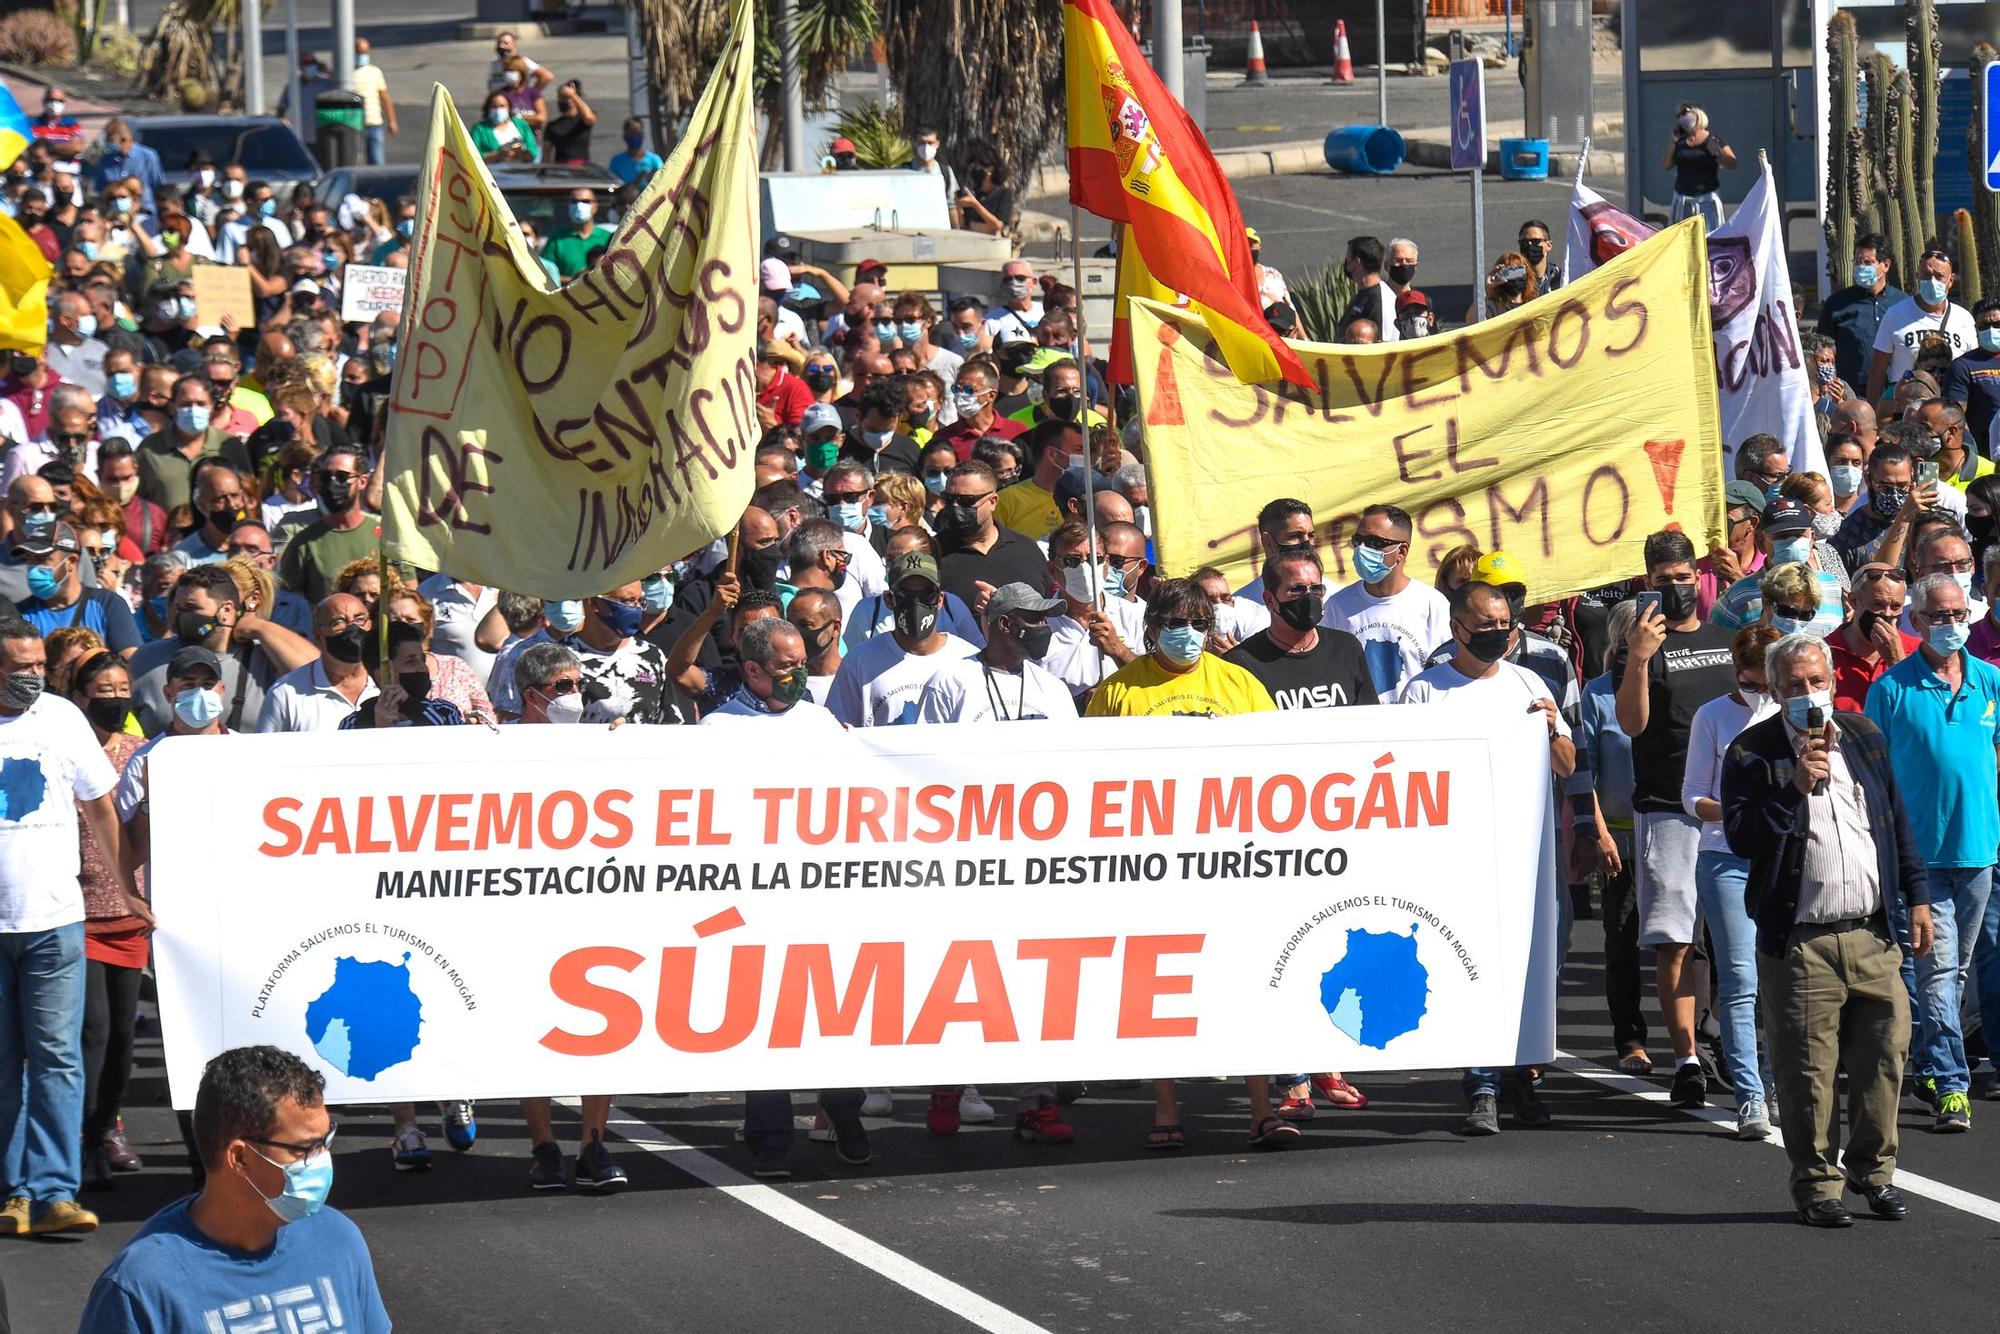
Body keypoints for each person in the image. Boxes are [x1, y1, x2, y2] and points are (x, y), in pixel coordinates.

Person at [1721, 635, 1932, 1226]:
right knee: (1808, 1071)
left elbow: (1895, 823)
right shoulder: (1752, 753)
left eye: (1816, 681)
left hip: (1872, 931)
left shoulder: (1863, 736)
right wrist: (1793, 786)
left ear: (1833, 680)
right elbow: (1743, 838)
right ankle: (1818, 1187)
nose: (1807, 695)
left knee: (1884, 1058)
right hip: (1801, 939)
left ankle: (1874, 1173)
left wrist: (1916, 896)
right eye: (1793, 685)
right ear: (1774, 689)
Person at [1082, 579, 1290, 1147]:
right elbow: (1091, 779)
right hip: (1151, 866)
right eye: (1176, 624)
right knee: (1158, 987)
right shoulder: (1118, 692)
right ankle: (1166, 1108)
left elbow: (1280, 769)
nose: (1188, 635)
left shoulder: (1240, 684)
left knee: (1245, 980)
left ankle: (1261, 1110)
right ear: (1151, 628)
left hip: (1231, 860)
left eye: (1198, 624)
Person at [1398, 580, 1574, 1132]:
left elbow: (1566, 765)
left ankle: (1524, 1074)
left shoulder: (1527, 684)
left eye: (1505, 626)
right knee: (1472, 965)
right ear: (1457, 630)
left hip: (1530, 850)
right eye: (1485, 628)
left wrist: (1549, 730)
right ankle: (1481, 1084)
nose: (1498, 636)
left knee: (1537, 966)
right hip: (1463, 854)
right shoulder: (1425, 692)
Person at [0, 618, 143, 1239]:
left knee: (58, 1056)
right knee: (4, 1061)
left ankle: (56, 1190)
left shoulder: (61, 718)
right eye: (18, 667)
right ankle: (12, 1192)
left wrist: (129, 891)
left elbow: (101, 806)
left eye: (38, 665)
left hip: (55, 919)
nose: (32, 676)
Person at [79, 1046, 392, 1327]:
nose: (322, 1160)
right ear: (240, 1158)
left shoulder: (337, 1239)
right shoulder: (142, 1287)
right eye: (304, 1148)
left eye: (325, 1141)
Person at [1863, 572, 1999, 1133]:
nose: (1951, 626)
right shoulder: (1892, 688)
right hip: (1917, 860)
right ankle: (1950, 1084)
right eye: (1939, 617)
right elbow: (1868, 775)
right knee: (1937, 971)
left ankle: (1926, 1061)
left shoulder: (1990, 681)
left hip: (1979, 853)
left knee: (1954, 970)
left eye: (1959, 615)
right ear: (1916, 622)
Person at [495, 641, 633, 1190]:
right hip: (527, 907)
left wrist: (627, 745)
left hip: (593, 902)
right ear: (532, 696)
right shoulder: (498, 747)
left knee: (606, 1022)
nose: (578, 696)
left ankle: (594, 1144)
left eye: (581, 685)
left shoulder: (599, 741)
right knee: (534, 1025)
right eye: (564, 688)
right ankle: (543, 1145)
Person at [1615, 529, 1738, 1110]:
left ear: (1699, 578)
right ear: (1648, 584)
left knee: (1729, 939)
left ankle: (1720, 1037)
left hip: (1728, 814)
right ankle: (1686, 1058)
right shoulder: (1640, 649)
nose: (1677, 590)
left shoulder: (1726, 641)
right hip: (1667, 812)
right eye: (1664, 583)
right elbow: (1633, 725)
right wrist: (1638, 657)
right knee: (1676, 942)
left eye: (1684, 580)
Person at [1680, 624, 1782, 1139]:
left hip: (1787, 859)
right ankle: (1751, 1098)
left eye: (1768, 683)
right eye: (1750, 682)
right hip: (1725, 858)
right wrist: (1740, 814)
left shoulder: (1799, 711)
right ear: (1737, 673)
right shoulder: (1713, 716)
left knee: (1785, 978)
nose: (1759, 693)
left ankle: (1784, 1084)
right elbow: (1691, 795)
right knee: (1740, 980)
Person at [64, 650, 146, 1191]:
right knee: (91, 1032)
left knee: (122, 1034)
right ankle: (83, 1141)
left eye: (123, 689)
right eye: (103, 689)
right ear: (78, 695)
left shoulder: (141, 753)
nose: (114, 699)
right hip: (75, 911)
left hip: (131, 912)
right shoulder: (62, 752)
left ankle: (107, 1124)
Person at [1569, 600, 1648, 1071]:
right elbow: (1587, 771)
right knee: (1622, 942)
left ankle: (1698, 1038)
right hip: (1621, 839)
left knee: (1690, 945)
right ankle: (1630, 1040)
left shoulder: (1669, 683)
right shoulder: (1596, 695)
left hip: (1677, 835)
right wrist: (1599, 834)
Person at [126, 563, 314, 734]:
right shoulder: (146, 659)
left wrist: (259, 627)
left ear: (226, 610)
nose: (182, 616)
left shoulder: (264, 657)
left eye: (192, 608)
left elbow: (316, 674)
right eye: (178, 608)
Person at [827, 550, 974, 725]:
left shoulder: (969, 659)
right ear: (890, 600)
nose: (916, 603)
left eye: (926, 594)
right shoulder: (859, 661)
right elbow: (837, 728)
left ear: (939, 600)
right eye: (906, 595)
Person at [1325, 503, 1451, 701]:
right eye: (1358, 540)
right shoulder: (1337, 606)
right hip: (1358, 724)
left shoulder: (1432, 604)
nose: (1362, 549)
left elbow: (1446, 671)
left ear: (1402, 551)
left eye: (1375, 542)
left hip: (1417, 724)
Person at [1223, 547, 1374, 711]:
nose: (1308, 598)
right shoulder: (1240, 663)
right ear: (1269, 600)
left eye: (1316, 589)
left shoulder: (1346, 647)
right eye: (1296, 589)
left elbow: (1371, 719)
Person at [914, 582, 1073, 724]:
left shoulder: (1054, 689)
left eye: (1044, 621)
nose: (1043, 628)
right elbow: (927, 751)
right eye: (1035, 620)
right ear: (1004, 624)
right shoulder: (950, 682)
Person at [1709, 499, 1844, 636]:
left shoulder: (1831, 586)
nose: (1792, 543)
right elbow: (1716, 649)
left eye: (1798, 535)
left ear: (1812, 539)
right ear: (1761, 541)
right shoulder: (1735, 597)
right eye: (1783, 536)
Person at [1868, 241, 1975, 404]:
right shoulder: (1895, 314)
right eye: (1926, 275)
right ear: (1918, 276)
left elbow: (1972, 370)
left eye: (1939, 276)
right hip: (1905, 408)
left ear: (1951, 280)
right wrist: (1874, 414)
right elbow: (1877, 371)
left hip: (1950, 409)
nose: (1932, 281)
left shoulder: (1964, 318)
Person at [12, 520, 140, 656]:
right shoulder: (20, 614)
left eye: (42, 559)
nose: (33, 568)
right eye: (29, 559)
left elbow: (133, 662)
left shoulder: (108, 605)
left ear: (71, 562)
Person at [934, 460, 1047, 613]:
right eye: (948, 499)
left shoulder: (1027, 550)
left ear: (993, 502)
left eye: (966, 501)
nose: (955, 506)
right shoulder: (932, 553)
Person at [575, 581, 695, 724]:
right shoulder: (561, 658)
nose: (637, 609)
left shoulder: (651, 656)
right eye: (628, 601)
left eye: (640, 602)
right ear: (594, 603)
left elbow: (671, 721)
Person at [257, 593, 379, 731]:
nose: (352, 628)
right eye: (338, 622)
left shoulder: (388, 685)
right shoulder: (286, 694)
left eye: (359, 619)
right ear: (318, 635)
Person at [276, 443, 376, 604]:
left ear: (362, 481)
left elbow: (407, 590)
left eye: (342, 477)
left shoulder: (382, 534)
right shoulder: (303, 542)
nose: (332, 483)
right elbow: (288, 603)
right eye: (326, 476)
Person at [1820, 234, 1906, 390]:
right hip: (1851, 392)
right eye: (1858, 262)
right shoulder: (1837, 303)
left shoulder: (1903, 303)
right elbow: (1823, 347)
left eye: (1868, 263)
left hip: (1895, 391)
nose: (1861, 267)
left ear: (1885, 265)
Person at [1828, 565, 1916, 711]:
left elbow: (1924, 714)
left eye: (1895, 606)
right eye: (1878, 604)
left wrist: (1897, 662)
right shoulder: (1823, 652)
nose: (1887, 614)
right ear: (1853, 601)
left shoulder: (1918, 651)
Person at [1664, 103, 1736, 230]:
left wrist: (1716, 153)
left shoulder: (1713, 138)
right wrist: (1672, 143)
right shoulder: (1679, 140)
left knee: (1708, 242)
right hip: (1683, 201)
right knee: (1684, 243)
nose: (1683, 117)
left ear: (1698, 114)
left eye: (1686, 113)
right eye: (1680, 115)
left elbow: (1732, 163)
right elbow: (1666, 165)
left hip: (1707, 202)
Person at [86, 119, 165, 213]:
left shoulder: (148, 156)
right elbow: (100, 190)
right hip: (116, 212)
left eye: (111, 141)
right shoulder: (105, 161)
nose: (109, 144)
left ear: (124, 139)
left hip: (145, 211)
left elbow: (158, 185)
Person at [1336, 235, 1397, 342]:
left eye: (1348, 258)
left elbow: (1383, 344)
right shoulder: (1364, 293)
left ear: (1356, 262)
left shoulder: (1380, 299)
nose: (1346, 262)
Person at [787, 587, 843, 703]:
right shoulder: (784, 684)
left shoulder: (856, 679)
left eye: (805, 625)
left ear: (835, 628)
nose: (796, 633)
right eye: (790, 625)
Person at [546, 189, 611, 279]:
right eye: (574, 201)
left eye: (585, 201)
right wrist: (575, 282)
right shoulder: (556, 238)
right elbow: (545, 273)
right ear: (568, 206)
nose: (579, 205)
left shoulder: (608, 237)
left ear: (595, 207)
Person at [472, 89, 538, 163]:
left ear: (509, 108)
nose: (498, 110)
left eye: (502, 106)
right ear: (488, 108)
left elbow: (533, 151)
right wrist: (497, 155)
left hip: (520, 172)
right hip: (493, 172)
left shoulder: (522, 125)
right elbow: (473, 157)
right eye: (494, 106)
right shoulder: (479, 129)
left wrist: (521, 154)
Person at [984, 260, 1043, 343]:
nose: (1014, 283)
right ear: (1002, 285)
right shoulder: (991, 321)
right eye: (1008, 279)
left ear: (1034, 282)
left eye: (1020, 278)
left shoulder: (1045, 311)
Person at [541, 79, 596, 165]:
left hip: (582, 168)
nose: (563, 101)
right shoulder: (552, 126)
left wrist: (573, 95)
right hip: (561, 168)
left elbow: (589, 117)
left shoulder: (582, 121)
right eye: (561, 97)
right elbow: (546, 154)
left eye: (566, 97)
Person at [608, 117, 662, 184]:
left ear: (643, 135)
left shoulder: (654, 159)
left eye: (637, 133)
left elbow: (663, 180)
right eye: (631, 133)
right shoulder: (616, 162)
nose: (634, 137)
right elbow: (611, 184)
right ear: (625, 136)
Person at [1518, 218, 1561, 292]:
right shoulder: (1512, 279)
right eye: (1524, 242)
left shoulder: (1560, 278)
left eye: (1535, 241)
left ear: (1548, 246)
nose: (1529, 245)